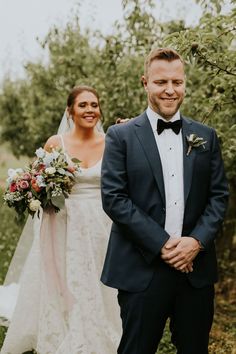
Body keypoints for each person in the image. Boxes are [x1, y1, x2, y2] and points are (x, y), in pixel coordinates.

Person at [101, 48, 229, 354]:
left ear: (185, 84)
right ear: (145, 83)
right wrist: (163, 244)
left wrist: (196, 242)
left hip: (194, 271)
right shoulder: (120, 136)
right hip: (141, 268)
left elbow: (219, 196)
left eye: (177, 81)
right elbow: (114, 198)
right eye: (161, 82)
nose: (170, 89)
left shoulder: (206, 137)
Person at [0, 85, 121, 354]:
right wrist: (36, 193)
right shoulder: (57, 143)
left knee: (99, 276)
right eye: (83, 105)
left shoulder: (112, 141)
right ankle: (66, 329)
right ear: (70, 111)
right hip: (63, 221)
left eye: (94, 105)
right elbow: (36, 181)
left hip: (102, 222)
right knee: (66, 276)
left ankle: (102, 326)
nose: (90, 110)